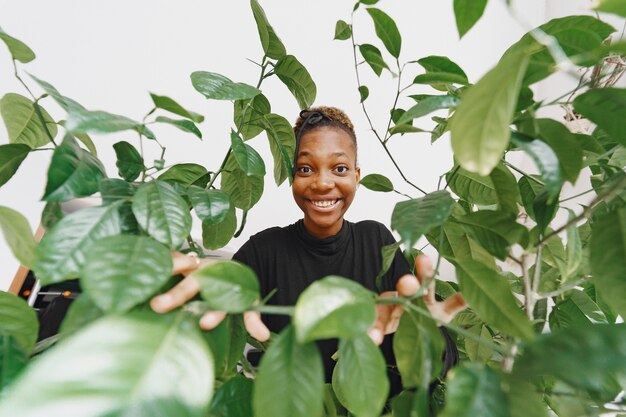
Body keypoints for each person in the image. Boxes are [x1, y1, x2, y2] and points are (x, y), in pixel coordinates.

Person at [151, 106, 466, 394]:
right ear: (293, 178)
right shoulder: (265, 249)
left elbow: (434, 366)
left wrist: (429, 333)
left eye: (339, 169)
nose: (322, 183)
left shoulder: (376, 240)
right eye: (306, 169)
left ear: (357, 176)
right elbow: (225, 289)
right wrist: (207, 285)